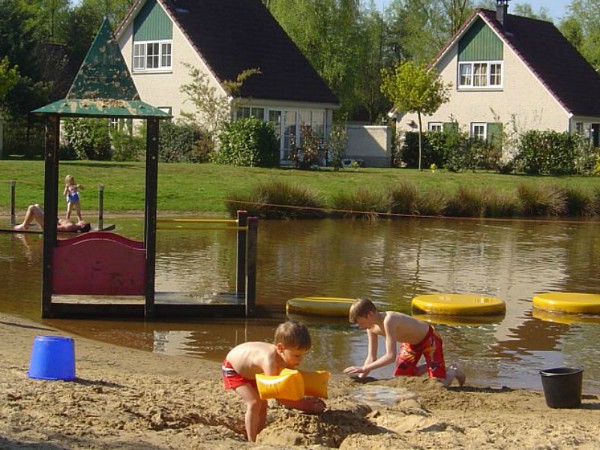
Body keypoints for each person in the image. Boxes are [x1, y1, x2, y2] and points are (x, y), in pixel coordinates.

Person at [222, 320, 326, 442]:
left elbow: (290, 383)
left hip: (253, 372)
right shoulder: (269, 361)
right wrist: (305, 405)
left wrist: (306, 397)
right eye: (297, 356)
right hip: (233, 369)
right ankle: (251, 440)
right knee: (255, 402)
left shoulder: (285, 355)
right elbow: (277, 395)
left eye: (303, 355)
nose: (301, 360)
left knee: (263, 405)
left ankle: (258, 433)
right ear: (281, 348)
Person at [343, 298, 465, 387]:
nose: (360, 327)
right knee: (402, 378)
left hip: (429, 339)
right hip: (410, 344)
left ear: (370, 314)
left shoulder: (389, 320)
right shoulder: (371, 328)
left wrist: (364, 368)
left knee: (439, 385)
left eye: (361, 323)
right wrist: (361, 378)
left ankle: (453, 369)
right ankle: (437, 366)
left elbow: (390, 357)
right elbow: (371, 357)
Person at [13, 204, 91, 233]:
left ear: (82, 225)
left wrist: (45, 221)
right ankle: (25, 225)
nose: (82, 220)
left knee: (32, 208)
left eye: (83, 222)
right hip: (52, 220)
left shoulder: (70, 226)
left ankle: (24, 226)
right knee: (37, 206)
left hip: (48, 224)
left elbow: (54, 228)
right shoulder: (73, 224)